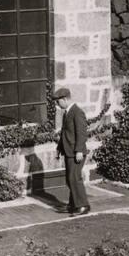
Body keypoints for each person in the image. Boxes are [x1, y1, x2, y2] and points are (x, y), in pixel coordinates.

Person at [52, 87, 90, 216]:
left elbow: (82, 133)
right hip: (69, 151)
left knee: (74, 178)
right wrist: (59, 149)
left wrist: (79, 150)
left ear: (64, 99)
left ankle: (83, 206)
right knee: (70, 179)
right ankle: (73, 205)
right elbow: (65, 133)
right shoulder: (67, 113)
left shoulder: (77, 112)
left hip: (76, 152)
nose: (57, 105)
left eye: (58, 102)